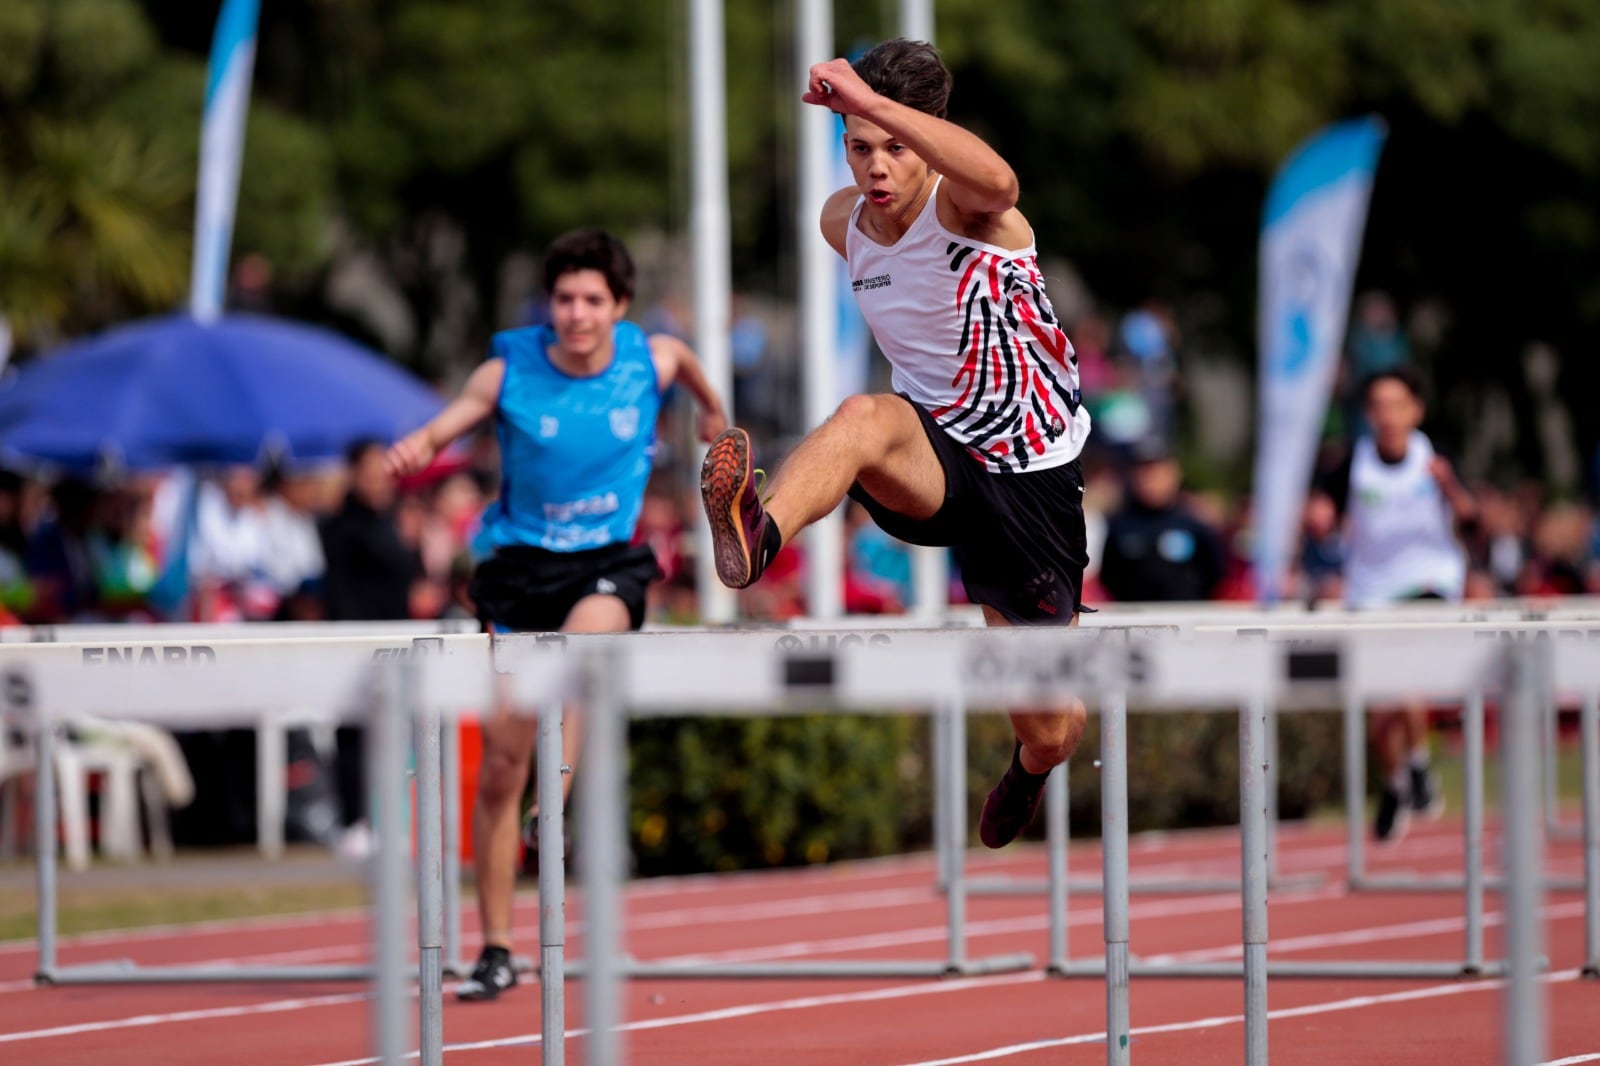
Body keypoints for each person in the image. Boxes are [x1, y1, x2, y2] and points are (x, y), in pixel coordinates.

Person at [699, 38, 1092, 850]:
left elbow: (1002, 180)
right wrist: (860, 112)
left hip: (1030, 476)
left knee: (1050, 725)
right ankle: (757, 532)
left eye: (894, 148)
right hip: (934, 455)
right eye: (857, 149)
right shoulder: (843, 221)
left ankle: (1030, 769)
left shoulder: (973, 207)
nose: (874, 168)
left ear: (925, 138)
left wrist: (871, 103)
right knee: (863, 417)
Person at [386, 228, 728, 1001]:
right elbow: (460, 415)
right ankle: (499, 946)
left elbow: (696, 375)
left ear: (620, 307)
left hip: (606, 564)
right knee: (502, 761)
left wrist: (713, 416)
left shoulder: (653, 358)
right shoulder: (511, 366)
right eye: (565, 299)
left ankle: (556, 806)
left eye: (592, 301)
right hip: (519, 570)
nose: (576, 313)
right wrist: (419, 445)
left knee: (576, 656)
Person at [1314, 367, 1476, 842]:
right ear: (1369, 414)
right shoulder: (1353, 461)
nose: (1387, 415)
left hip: (1429, 581)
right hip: (1368, 590)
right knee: (1380, 708)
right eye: (1378, 406)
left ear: (1414, 411)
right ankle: (1402, 779)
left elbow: (1472, 520)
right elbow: (1325, 515)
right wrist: (1319, 517)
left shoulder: (1433, 456)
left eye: (1396, 405)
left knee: (1403, 680)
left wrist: (1450, 488)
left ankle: (1418, 770)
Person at [1097, 437, 1226, 603]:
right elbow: (1109, 576)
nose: (1151, 480)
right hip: (1133, 618)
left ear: (1175, 474)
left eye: (1158, 471)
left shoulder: (1194, 524)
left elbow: (1216, 575)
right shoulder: (1119, 525)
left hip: (1188, 619)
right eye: (1144, 472)